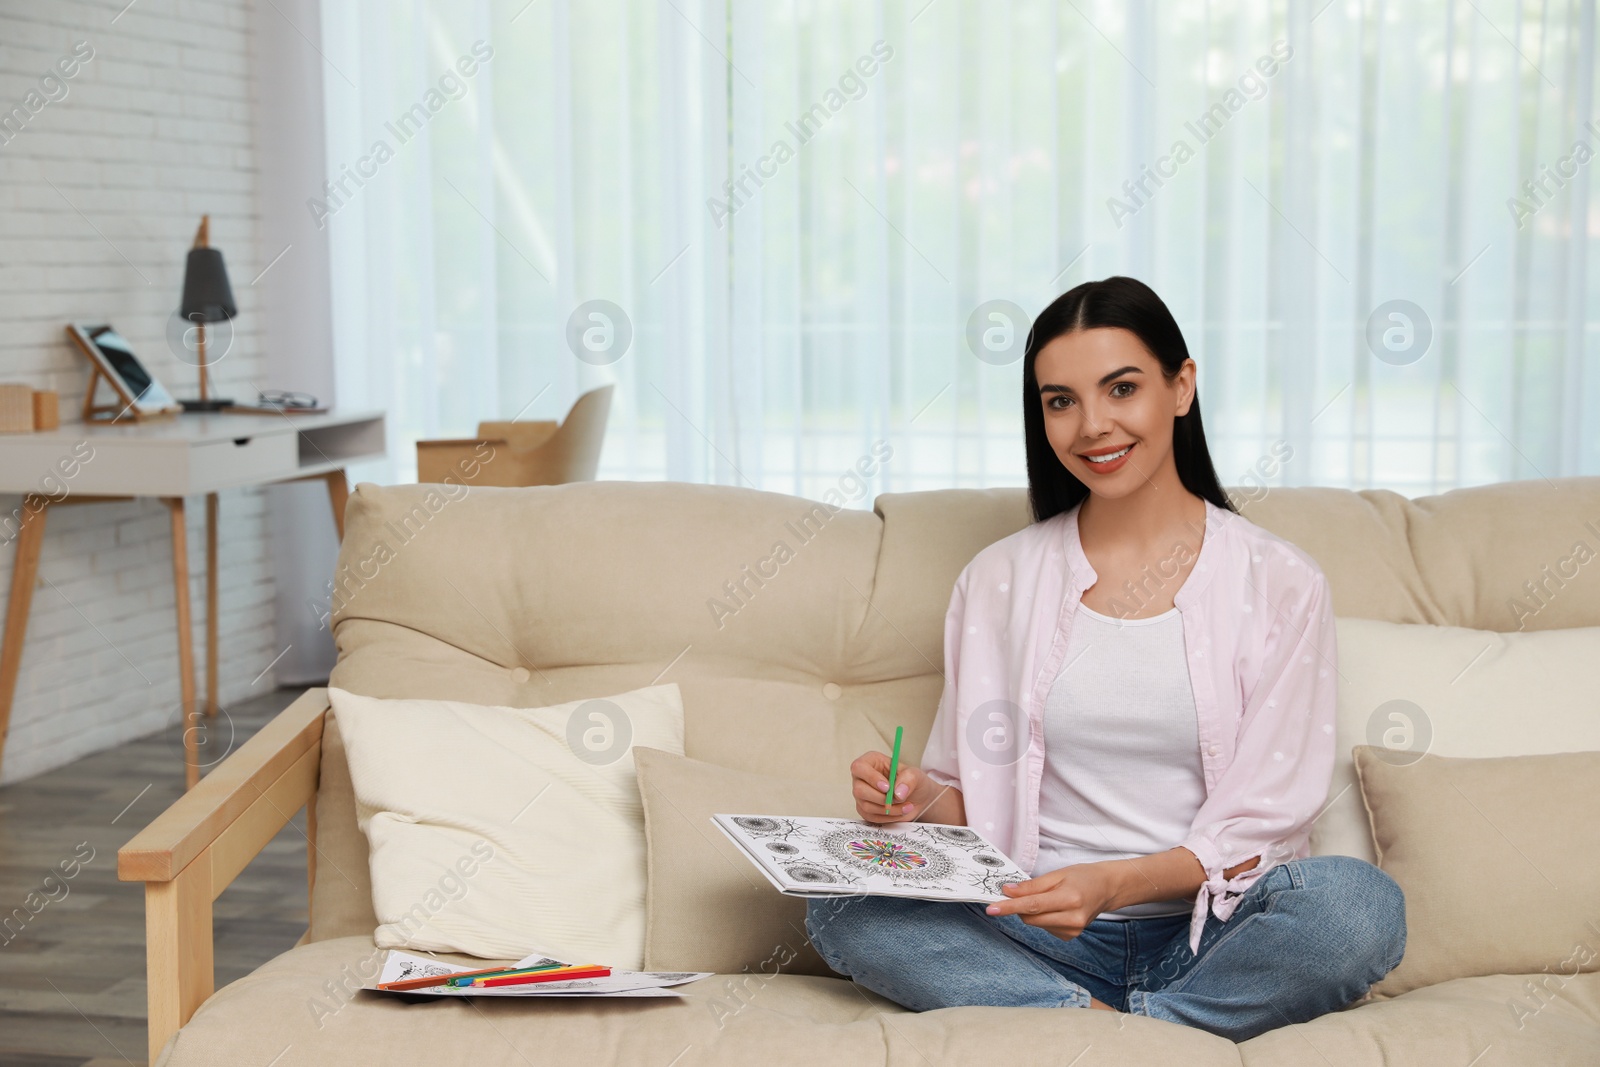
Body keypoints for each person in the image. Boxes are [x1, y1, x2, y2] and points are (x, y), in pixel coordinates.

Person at [805, 276, 1406, 1043]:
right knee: (841, 900)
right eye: (1060, 401)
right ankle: (1131, 1033)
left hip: (1209, 933)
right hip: (1032, 930)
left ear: (1181, 386)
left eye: (1121, 388)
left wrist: (1111, 882)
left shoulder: (1280, 581)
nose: (1092, 425)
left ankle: (1105, 1034)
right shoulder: (997, 580)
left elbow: (1266, 820)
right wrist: (917, 797)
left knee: (1359, 905)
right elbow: (971, 814)